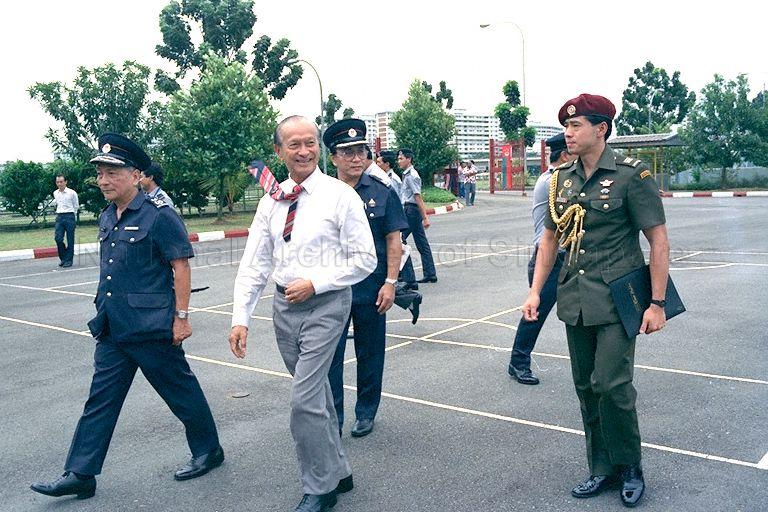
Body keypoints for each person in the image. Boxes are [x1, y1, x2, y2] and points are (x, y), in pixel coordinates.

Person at [31, 133, 223, 500]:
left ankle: (208, 450)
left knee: (181, 393)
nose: (103, 180)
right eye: (100, 173)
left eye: (112, 173)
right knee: (99, 400)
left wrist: (181, 317)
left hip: (151, 327)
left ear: (136, 175)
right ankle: (81, 473)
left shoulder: (159, 216)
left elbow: (180, 265)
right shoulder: (107, 216)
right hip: (114, 326)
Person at [522, 94, 669, 508]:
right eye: (566, 127)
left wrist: (656, 303)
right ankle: (601, 468)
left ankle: (630, 466)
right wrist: (535, 290)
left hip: (620, 298)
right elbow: (550, 239)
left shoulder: (630, 175)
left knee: (612, 383)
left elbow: (657, 240)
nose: (568, 134)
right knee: (586, 386)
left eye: (576, 126)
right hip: (576, 297)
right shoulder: (561, 178)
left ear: (601, 129)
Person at [229, 116, 377, 512]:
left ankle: (320, 486)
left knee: (303, 399)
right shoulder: (272, 201)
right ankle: (339, 470)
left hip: (327, 305)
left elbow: (365, 259)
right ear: (279, 152)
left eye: (310, 143)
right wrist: (240, 316)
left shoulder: (340, 196)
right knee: (318, 396)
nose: (304, 151)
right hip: (284, 308)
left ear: (319, 148)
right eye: (293, 144)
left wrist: (318, 282)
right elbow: (255, 263)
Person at [324, 119, 408, 440]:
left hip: (372, 287)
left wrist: (390, 282)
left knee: (370, 352)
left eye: (360, 151)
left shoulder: (381, 192)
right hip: (332, 290)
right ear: (333, 157)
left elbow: (393, 239)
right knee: (330, 357)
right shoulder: (322, 194)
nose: (356, 158)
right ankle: (334, 415)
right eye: (347, 152)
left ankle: (366, 411)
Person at [507, 133, 575, 385]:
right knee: (535, 313)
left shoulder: (561, 179)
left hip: (564, 256)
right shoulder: (554, 182)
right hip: (548, 259)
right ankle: (518, 363)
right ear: (565, 155)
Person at [398, 148, 438, 284]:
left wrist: (425, 217)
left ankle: (406, 276)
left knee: (399, 239)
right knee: (421, 242)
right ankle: (430, 273)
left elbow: (417, 196)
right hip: (410, 210)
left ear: (409, 159)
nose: (399, 161)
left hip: (412, 211)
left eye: (401, 158)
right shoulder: (406, 174)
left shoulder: (412, 175)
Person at [52, 174, 79, 267]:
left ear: (65, 182)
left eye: (61, 182)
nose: (59, 184)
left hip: (69, 216)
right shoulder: (55, 193)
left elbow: (76, 206)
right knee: (58, 238)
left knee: (70, 239)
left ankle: (69, 260)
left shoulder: (72, 193)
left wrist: (71, 215)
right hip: (59, 217)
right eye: (57, 182)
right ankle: (63, 257)